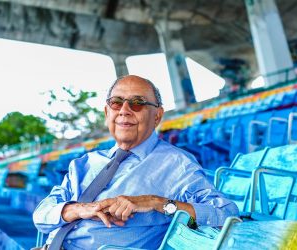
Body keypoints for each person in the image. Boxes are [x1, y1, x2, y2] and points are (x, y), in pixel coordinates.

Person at [33, 75, 239, 249]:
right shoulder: (84, 163)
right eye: (116, 102)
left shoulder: (177, 165)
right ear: (107, 112)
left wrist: (155, 202)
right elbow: (41, 215)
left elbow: (226, 216)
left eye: (137, 103)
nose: (124, 110)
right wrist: (76, 209)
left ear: (157, 116)